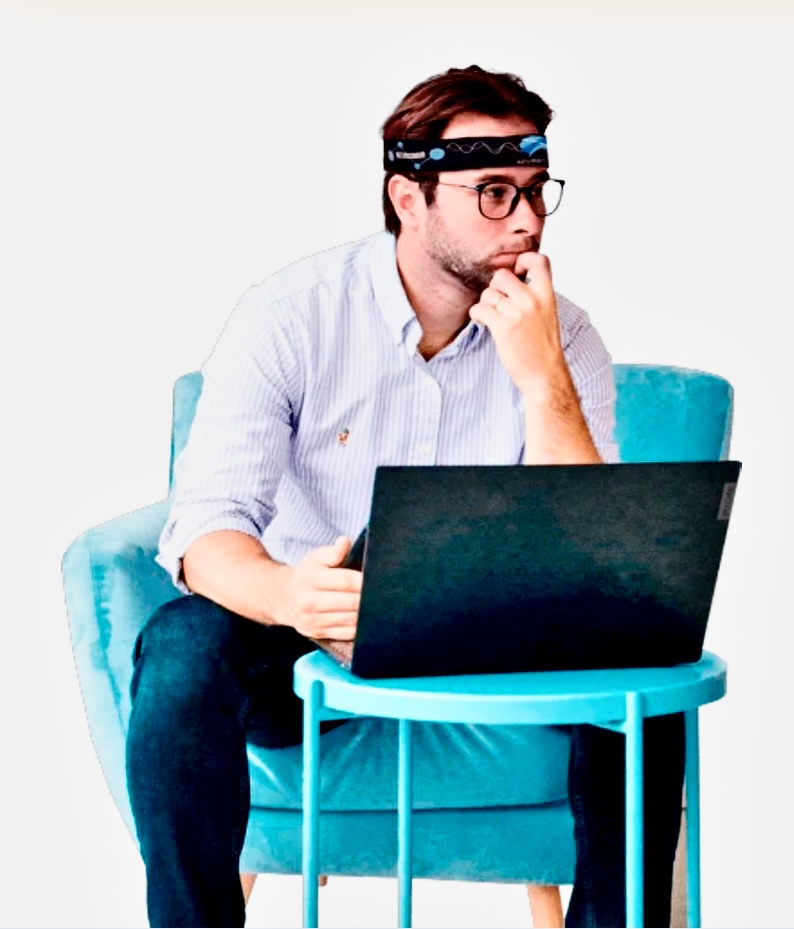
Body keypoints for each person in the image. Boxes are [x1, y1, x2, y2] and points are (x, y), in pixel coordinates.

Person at [126, 64, 685, 927]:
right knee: (181, 644)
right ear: (408, 197)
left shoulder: (564, 333)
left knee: (648, 683)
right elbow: (205, 529)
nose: (527, 221)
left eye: (536, 191)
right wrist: (288, 594)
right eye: (493, 192)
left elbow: (593, 564)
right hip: (313, 631)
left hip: (498, 640)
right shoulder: (290, 316)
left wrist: (545, 379)